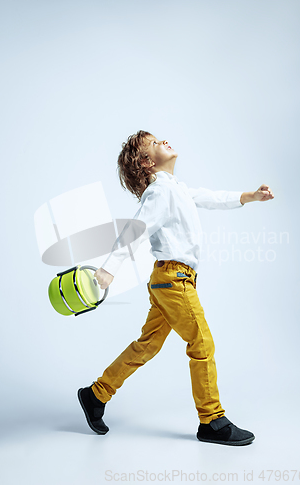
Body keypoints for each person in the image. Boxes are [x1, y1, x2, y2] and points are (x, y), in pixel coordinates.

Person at [77, 130, 274, 446]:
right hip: (174, 281)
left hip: (166, 280)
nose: (163, 140)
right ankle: (212, 420)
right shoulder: (159, 193)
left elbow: (210, 197)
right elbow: (135, 231)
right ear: (147, 162)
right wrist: (109, 268)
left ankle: (96, 394)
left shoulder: (176, 189)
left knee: (147, 345)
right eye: (155, 144)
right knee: (202, 343)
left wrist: (248, 196)